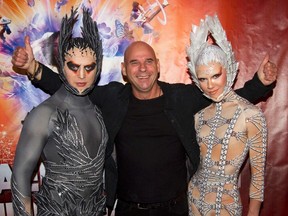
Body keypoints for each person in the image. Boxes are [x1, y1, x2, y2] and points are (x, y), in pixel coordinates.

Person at [11, 30, 277, 215]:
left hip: (177, 208)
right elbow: (71, 84)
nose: (142, 68)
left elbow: (223, 99)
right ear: (125, 69)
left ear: (158, 66)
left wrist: (259, 84)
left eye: (148, 61)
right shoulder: (113, 97)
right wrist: (35, 69)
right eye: (134, 63)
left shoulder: (181, 97)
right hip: (128, 209)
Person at [11, 8, 108, 216]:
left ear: (98, 68)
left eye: (89, 68)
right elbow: (20, 176)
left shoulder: (99, 111)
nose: (82, 75)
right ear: (62, 67)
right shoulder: (44, 114)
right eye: (74, 67)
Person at [186, 15, 268, 216]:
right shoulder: (199, 116)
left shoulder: (251, 115)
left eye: (215, 75)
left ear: (228, 70)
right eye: (203, 78)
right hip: (194, 199)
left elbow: (258, 177)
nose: (210, 84)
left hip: (226, 205)